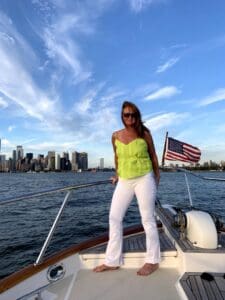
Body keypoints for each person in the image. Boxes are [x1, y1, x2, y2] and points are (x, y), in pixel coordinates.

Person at [93, 101, 160, 276]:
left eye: (133, 114)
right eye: (126, 115)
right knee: (114, 217)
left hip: (144, 178)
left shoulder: (144, 134)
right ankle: (112, 261)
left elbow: (153, 156)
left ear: (137, 116)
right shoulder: (115, 135)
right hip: (124, 180)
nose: (129, 118)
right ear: (122, 116)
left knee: (147, 219)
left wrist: (156, 176)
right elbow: (117, 157)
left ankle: (152, 260)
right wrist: (117, 174)